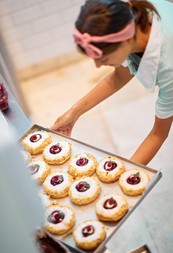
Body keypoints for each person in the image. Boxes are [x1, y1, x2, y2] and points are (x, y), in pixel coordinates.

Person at [50, 0, 173, 165]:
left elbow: (158, 134)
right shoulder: (130, 19)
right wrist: (74, 113)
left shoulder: (168, 65)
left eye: (104, 59)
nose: (98, 65)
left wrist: (122, 176)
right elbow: (120, 76)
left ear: (126, 41)